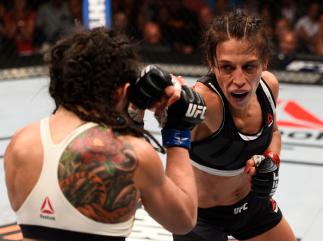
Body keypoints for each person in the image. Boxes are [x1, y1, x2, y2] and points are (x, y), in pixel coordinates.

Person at [3, 26, 207, 241]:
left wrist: (132, 116)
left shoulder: (21, 143)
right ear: (122, 92)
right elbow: (183, 220)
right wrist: (178, 128)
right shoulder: (133, 155)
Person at [167, 9, 296, 241]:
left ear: (265, 62)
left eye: (249, 67)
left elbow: (274, 132)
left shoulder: (269, 87)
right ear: (212, 64)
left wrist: (270, 160)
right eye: (227, 67)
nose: (238, 80)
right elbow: (181, 111)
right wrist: (172, 97)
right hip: (200, 218)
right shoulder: (208, 100)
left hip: (251, 206)